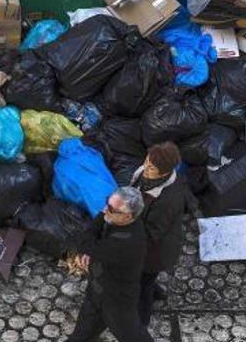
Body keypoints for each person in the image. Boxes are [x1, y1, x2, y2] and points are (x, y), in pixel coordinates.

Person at [67, 187, 153, 342]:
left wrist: (100, 217)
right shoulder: (121, 221)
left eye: (112, 209)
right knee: (81, 335)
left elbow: (84, 242)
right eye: (107, 202)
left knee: (134, 337)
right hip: (97, 292)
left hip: (117, 301)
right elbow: (93, 245)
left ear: (127, 216)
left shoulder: (125, 242)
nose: (105, 209)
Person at [130, 141, 187, 327]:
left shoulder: (167, 200)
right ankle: (158, 292)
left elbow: (152, 233)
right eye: (147, 160)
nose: (146, 167)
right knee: (148, 278)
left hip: (156, 250)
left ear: (164, 172)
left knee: (143, 283)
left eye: (152, 167)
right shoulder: (143, 173)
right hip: (146, 236)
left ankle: (142, 323)